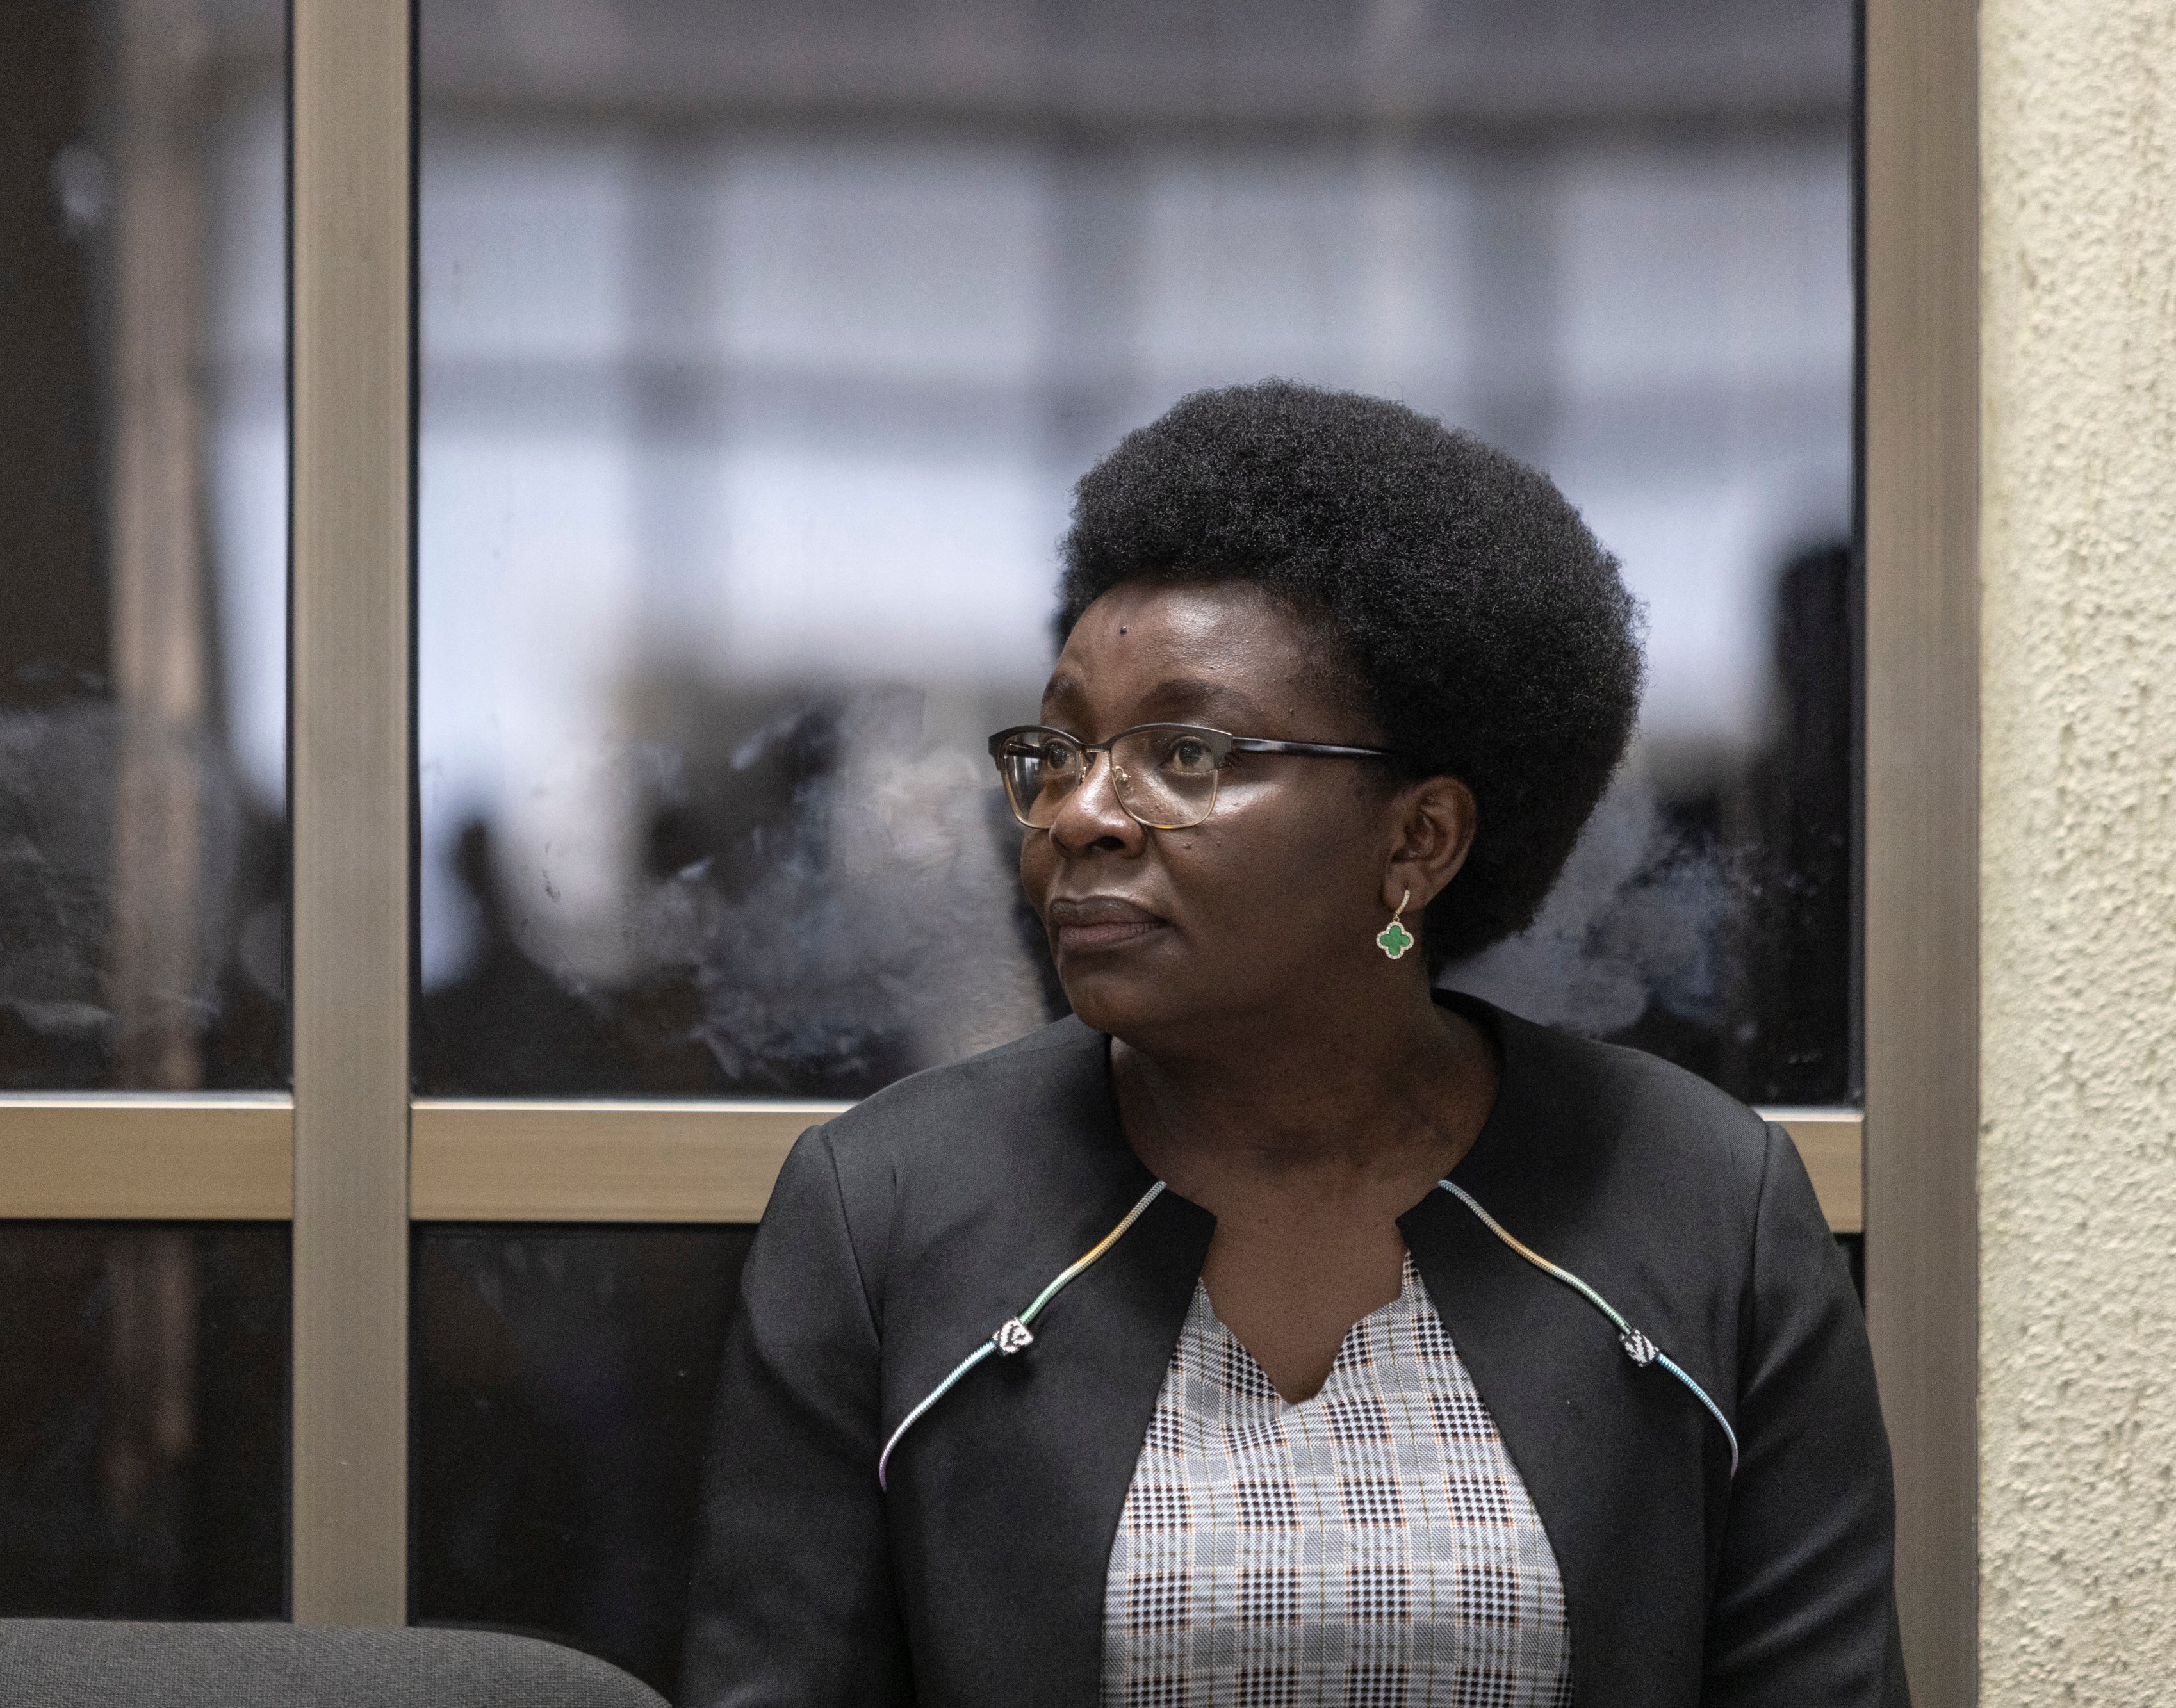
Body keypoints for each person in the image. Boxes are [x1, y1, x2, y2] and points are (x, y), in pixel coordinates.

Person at [678, 382, 1904, 1707]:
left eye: (1186, 754)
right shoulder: (884, 1211)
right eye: (1062, 750)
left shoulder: (1703, 1204)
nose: (1081, 814)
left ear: (1417, 840)